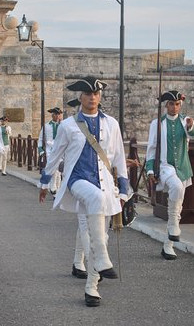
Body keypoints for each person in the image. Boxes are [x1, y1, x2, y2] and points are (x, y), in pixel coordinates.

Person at [39, 76, 128, 307]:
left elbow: (118, 156)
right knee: (94, 204)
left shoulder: (111, 124)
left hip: (105, 184)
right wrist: (44, 182)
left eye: (96, 94)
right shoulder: (68, 126)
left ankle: (91, 287)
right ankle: (101, 257)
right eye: (88, 94)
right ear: (81, 97)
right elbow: (56, 155)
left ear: (100, 96)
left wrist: (125, 187)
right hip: (77, 181)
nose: (92, 97)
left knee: (100, 234)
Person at [146, 90, 194, 260]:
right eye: (172, 104)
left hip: (183, 166)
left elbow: (191, 134)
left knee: (179, 198)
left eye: (178, 104)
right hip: (166, 166)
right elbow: (151, 148)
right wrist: (150, 169)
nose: (175, 107)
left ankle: (168, 245)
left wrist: (191, 126)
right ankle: (174, 225)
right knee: (175, 187)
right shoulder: (157, 124)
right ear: (166, 105)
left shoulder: (185, 121)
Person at [38, 107, 63, 196]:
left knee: (59, 170)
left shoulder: (63, 126)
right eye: (55, 114)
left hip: (60, 150)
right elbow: (41, 139)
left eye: (58, 114)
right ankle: (53, 187)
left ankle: (57, 189)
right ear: (52, 115)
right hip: (50, 151)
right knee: (54, 169)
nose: (57, 116)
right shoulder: (46, 126)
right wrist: (41, 150)